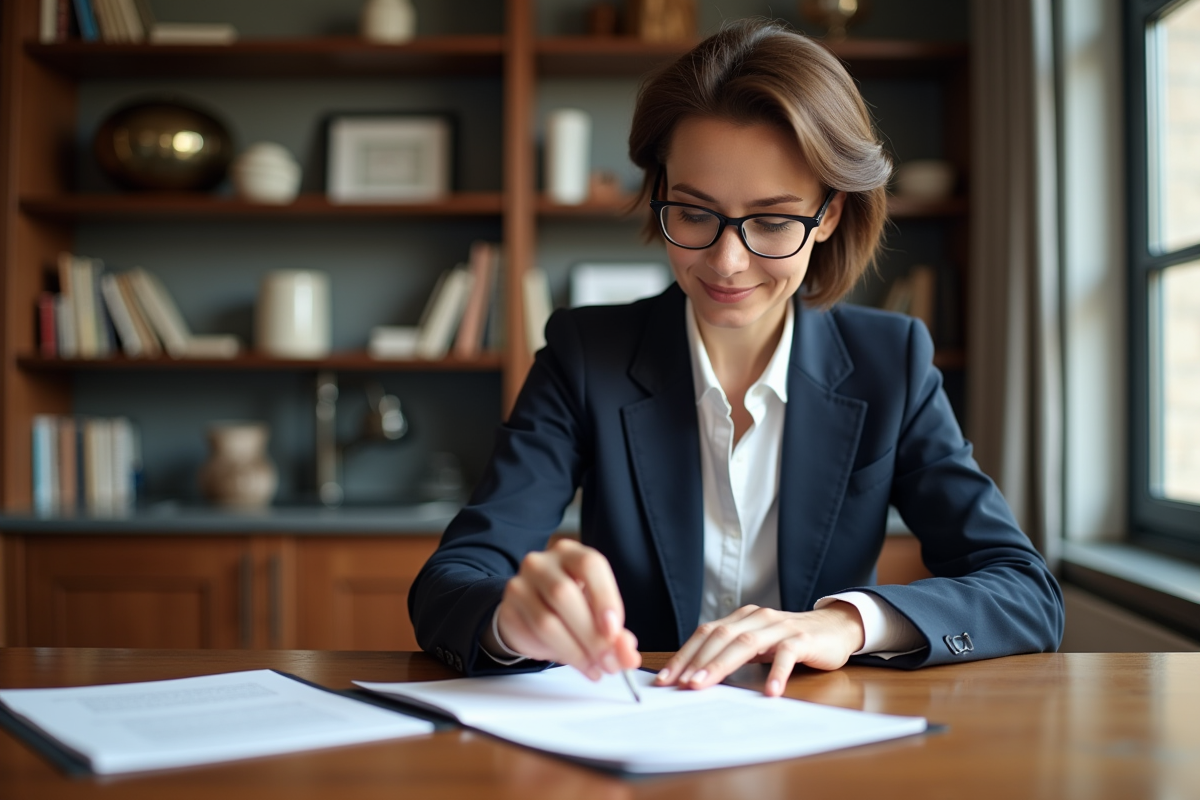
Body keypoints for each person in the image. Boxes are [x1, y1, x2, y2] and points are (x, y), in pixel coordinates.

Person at [409, 19, 1063, 695]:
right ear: (660, 191)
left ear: (830, 214)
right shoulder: (585, 355)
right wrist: (513, 624)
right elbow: (451, 582)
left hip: (816, 732)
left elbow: (1024, 590)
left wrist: (846, 623)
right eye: (694, 213)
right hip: (635, 726)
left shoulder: (889, 362)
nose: (726, 262)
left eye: (774, 221)